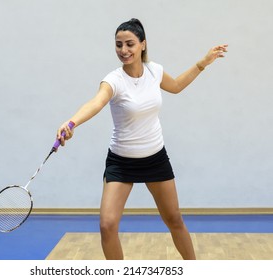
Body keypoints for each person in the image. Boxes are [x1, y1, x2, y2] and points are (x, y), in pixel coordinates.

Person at [56, 18, 228, 260]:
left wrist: (203, 63)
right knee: (107, 225)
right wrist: (72, 122)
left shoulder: (154, 71)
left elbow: (177, 85)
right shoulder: (113, 80)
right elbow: (96, 103)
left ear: (143, 44)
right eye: (118, 45)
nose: (123, 50)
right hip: (121, 162)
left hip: (155, 158)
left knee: (174, 219)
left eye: (129, 44)